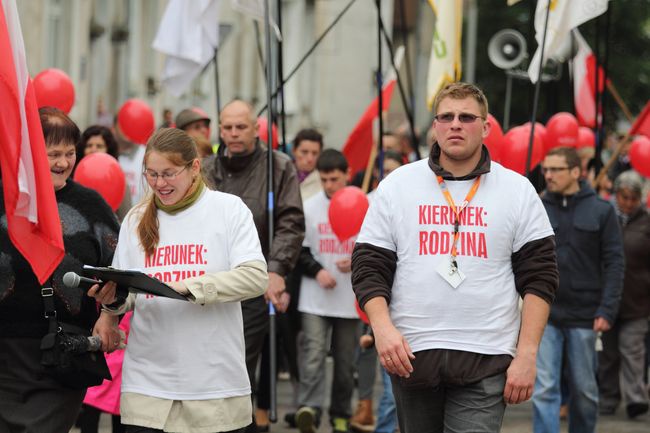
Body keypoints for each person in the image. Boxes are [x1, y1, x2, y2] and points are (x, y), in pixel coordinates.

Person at [351, 82, 559, 433]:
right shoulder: (397, 185)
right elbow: (369, 265)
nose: (455, 125)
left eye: (466, 117)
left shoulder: (517, 190)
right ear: (434, 126)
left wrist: (527, 354)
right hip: (411, 356)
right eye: (446, 117)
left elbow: (540, 278)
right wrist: (382, 329)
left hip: (487, 356)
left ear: (486, 126)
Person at [89, 128, 269, 433]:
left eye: (169, 173)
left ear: (195, 167)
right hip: (148, 386)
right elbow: (128, 292)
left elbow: (255, 278)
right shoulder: (135, 218)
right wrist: (111, 301)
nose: (159, 183)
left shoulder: (228, 210)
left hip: (214, 386)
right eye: (152, 174)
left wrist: (191, 287)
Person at [0, 107, 121, 432]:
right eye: (54, 153)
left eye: (69, 153)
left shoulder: (91, 205)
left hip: (62, 355)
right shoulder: (6, 198)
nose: (63, 162)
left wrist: (109, 311)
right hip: (5, 358)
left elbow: (123, 268)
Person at [202, 100, 304, 433]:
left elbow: (290, 222)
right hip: (208, 278)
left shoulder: (279, 166)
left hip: (252, 280)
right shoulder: (205, 167)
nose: (233, 134)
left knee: (239, 360)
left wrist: (276, 269)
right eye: (227, 127)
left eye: (240, 127)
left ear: (255, 128)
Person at [533, 146, 624, 433]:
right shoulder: (537, 207)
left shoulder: (602, 210)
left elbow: (614, 263)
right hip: (545, 314)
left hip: (586, 315)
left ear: (576, 172)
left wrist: (607, 309)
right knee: (545, 389)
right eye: (545, 169)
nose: (548, 175)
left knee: (584, 391)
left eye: (556, 169)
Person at [294, 149, 360, 433]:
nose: (329, 185)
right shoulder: (309, 206)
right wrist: (317, 270)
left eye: (334, 179)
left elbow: (379, 248)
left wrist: (357, 259)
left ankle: (341, 414)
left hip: (350, 300)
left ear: (347, 174)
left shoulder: (364, 204)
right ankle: (309, 408)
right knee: (313, 355)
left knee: (346, 363)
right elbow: (299, 250)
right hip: (315, 299)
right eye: (324, 180)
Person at [598, 170, 650, 419]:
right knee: (608, 355)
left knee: (633, 351)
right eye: (624, 196)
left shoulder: (647, 222)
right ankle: (608, 397)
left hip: (638, 300)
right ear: (616, 195)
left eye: (633, 197)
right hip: (608, 300)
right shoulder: (607, 218)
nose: (628, 202)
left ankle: (636, 399)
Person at [77, 124, 132, 220]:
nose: (93, 150)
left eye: (99, 146)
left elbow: (125, 218)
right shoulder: (74, 178)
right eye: (89, 145)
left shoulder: (119, 181)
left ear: (108, 150)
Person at [292, 128, 324, 201]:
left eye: (315, 153)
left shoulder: (325, 181)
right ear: (294, 150)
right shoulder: (281, 176)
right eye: (304, 152)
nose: (310, 159)